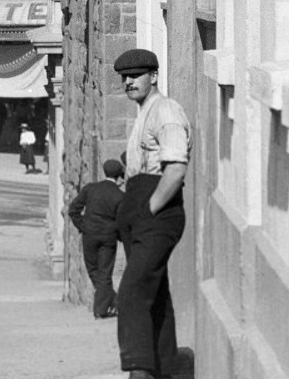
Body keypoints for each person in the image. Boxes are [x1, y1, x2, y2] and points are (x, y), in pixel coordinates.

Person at [113, 48, 191, 379]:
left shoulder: (166, 110)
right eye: (125, 77)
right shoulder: (144, 111)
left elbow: (175, 169)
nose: (129, 81)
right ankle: (168, 370)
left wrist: (149, 209)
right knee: (155, 297)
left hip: (156, 214)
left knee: (131, 293)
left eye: (136, 75)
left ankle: (139, 371)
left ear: (154, 77)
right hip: (140, 214)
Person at [69, 159, 126, 319]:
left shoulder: (90, 189)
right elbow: (122, 220)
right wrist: (121, 236)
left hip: (90, 235)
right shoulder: (120, 195)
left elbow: (73, 210)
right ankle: (112, 302)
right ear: (119, 175)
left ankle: (101, 309)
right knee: (105, 273)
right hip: (109, 237)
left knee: (93, 270)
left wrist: (83, 225)